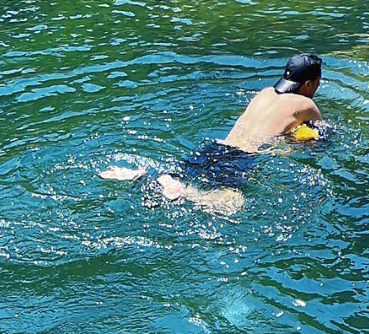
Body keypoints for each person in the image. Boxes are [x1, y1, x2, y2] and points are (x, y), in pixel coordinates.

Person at [100, 53, 326, 215]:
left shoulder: (265, 93)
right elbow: (316, 141)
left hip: (215, 147)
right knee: (231, 204)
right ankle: (187, 194)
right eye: (317, 82)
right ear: (308, 84)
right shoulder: (307, 106)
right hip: (242, 158)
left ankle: (145, 176)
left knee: (177, 176)